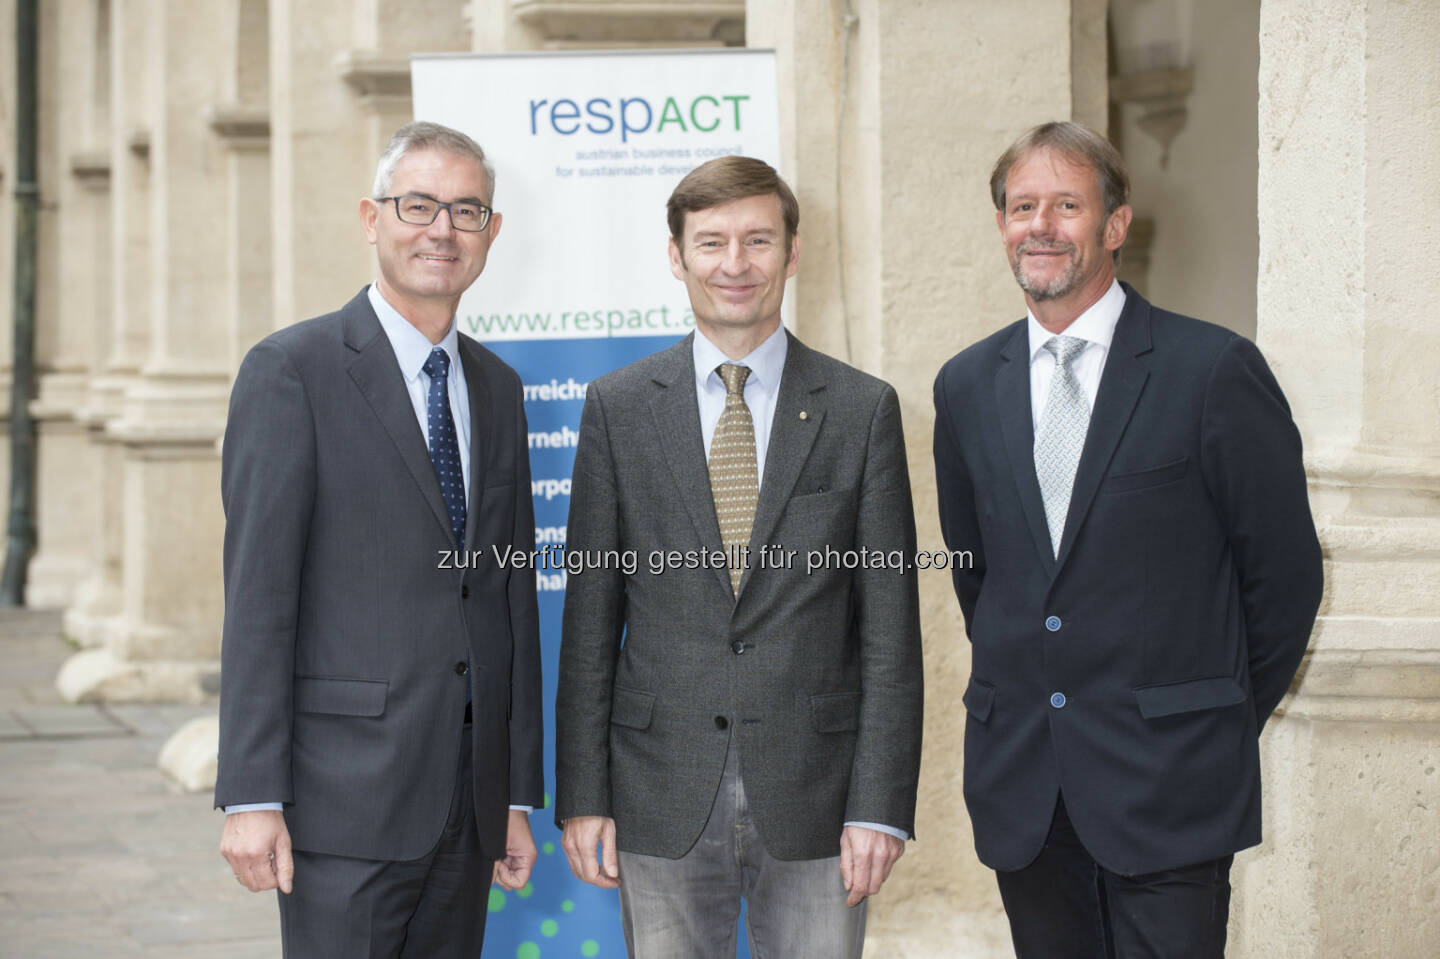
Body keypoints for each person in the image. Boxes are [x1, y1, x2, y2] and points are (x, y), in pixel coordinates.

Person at [932, 120, 1324, 958]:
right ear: (1002, 224)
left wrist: (1204, 713)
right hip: (1026, 788)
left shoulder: (1213, 371)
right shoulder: (965, 385)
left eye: (1066, 204)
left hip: (1171, 780)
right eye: (1022, 205)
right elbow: (983, 576)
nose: (1040, 224)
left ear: (1115, 225)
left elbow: (1283, 579)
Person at [554, 156, 924, 958]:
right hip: (658, 788)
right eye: (711, 241)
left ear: (792, 253)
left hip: (820, 796)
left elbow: (891, 630)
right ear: (676, 255)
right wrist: (583, 795)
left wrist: (881, 804)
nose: (734, 263)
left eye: (758, 240)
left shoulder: (861, 410)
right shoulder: (617, 409)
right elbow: (590, 622)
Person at [214, 121, 544, 958]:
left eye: (467, 210)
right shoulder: (293, 371)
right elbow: (259, 597)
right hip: (342, 802)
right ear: (372, 218)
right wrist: (252, 794)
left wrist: (511, 793)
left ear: (491, 233)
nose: (442, 229)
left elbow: (507, 599)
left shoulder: (499, 388)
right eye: (418, 204)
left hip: (467, 807)